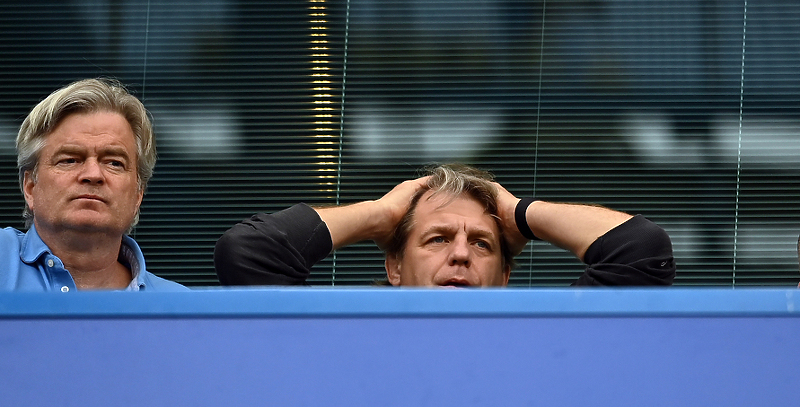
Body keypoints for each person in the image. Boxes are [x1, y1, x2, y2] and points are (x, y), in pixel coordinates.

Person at [214, 164, 676, 287]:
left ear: (504, 278)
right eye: (437, 238)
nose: (460, 254)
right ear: (394, 266)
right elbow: (249, 254)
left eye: (482, 244)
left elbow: (640, 251)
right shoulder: (348, 337)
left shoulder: (539, 340)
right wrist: (381, 213)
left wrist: (517, 212)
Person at [0, 78, 187, 291]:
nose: (93, 174)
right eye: (70, 160)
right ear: (30, 187)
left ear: (138, 194)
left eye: (114, 163)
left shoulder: (183, 310)